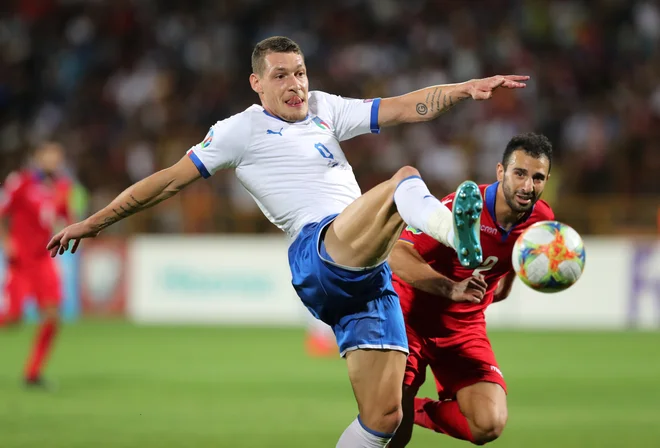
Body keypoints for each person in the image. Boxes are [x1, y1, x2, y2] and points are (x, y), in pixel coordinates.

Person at [47, 36, 528, 447]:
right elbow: (169, 181)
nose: (295, 84)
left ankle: (444, 232)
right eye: (280, 76)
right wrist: (94, 222)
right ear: (256, 83)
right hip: (319, 248)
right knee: (404, 181)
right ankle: (455, 233)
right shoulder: (240, 130)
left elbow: (404, 107)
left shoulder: (323, 108)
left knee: (385, 420)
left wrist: (464, 90)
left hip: (366, 272)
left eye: (299, 72)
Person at [386, 133, 554, 447]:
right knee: (394, 431)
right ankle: (399, 409)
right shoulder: (459, 210)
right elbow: (397, 254)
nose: (527, 186)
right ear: (501, 172)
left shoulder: (542, 220)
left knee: (488, 424)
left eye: (538, 177)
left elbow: (512, 267)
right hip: (409, 321)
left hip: (463, 329)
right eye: (519, 174)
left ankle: (413, 409)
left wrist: (510, 281)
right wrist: (450, 289)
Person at [0, 141, 72, 387]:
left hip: (44, 259)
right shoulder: (21, 182)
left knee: (53, 316)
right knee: (12, 318)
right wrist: (7, 241)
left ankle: (33, 373)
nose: (53, 160)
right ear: (38, 157)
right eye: (49, 155)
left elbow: (65, 218)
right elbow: (2, 212)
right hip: (21, 260)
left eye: (57, 156)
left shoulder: (62, 187)